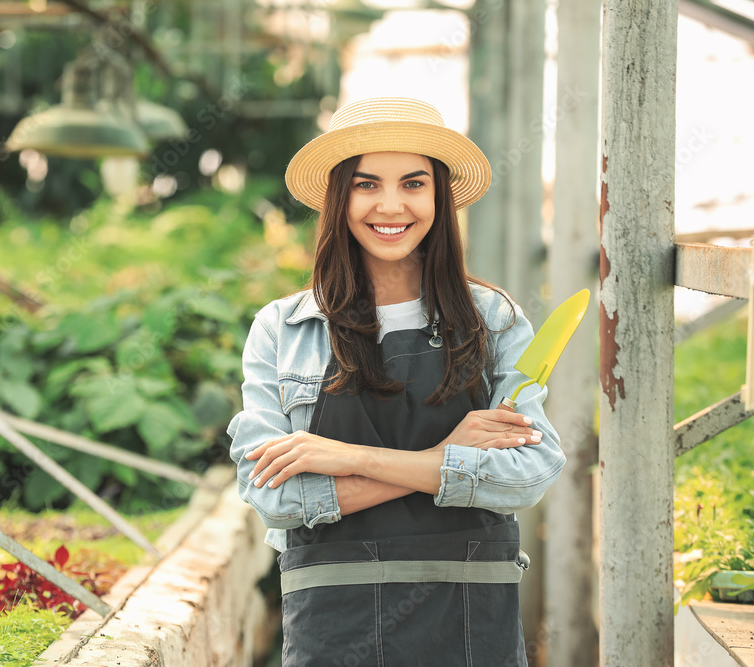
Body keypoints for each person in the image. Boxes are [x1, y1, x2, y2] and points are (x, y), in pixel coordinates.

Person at [226, 97, 566, 666]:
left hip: (468, 623)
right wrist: (447, 456)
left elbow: (528, 475)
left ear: (439, 196)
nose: (390, 205)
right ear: (339, 197)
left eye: (413, 183)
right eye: (366, 184)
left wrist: (342, 457)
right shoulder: (285, 329)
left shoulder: (494, 320)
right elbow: (275, 496)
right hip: (334, 624)